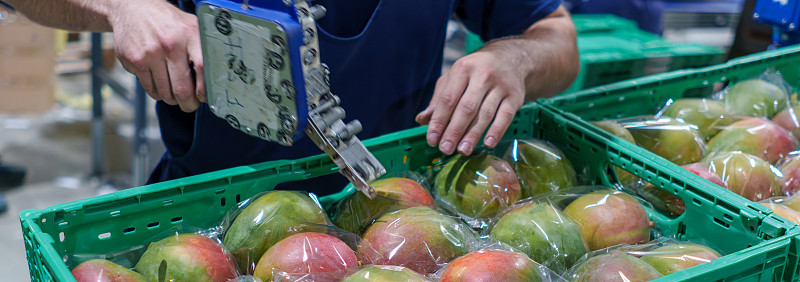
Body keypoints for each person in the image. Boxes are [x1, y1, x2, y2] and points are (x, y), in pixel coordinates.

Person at [8, 1, 579, 195]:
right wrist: (123, 7)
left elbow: (556, 37)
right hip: (210, 210)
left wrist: (515, 59)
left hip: (390, 213)